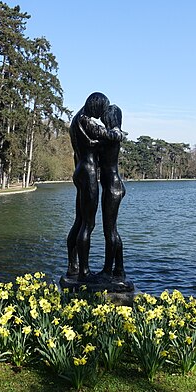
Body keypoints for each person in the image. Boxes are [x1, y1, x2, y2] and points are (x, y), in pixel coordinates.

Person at [66, 92, 124, 281]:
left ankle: (74, 266)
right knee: (88, 224)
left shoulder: (76, 121)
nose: (101, 117)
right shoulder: (85, 121)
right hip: (89, 173)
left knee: (81, 222)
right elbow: (107, 135)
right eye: (101, 111)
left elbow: (98, 139)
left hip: (82, 171)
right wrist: (117, 133)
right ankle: (84, 272)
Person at [98, 104, 126, 280]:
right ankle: (119, 269)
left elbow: (115, 136)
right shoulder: (112, 133)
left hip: (112, 188)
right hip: (112, 186)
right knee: (112, 230)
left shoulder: (114, 133)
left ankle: (108, 270)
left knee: (109, 231)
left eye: (105, 115)